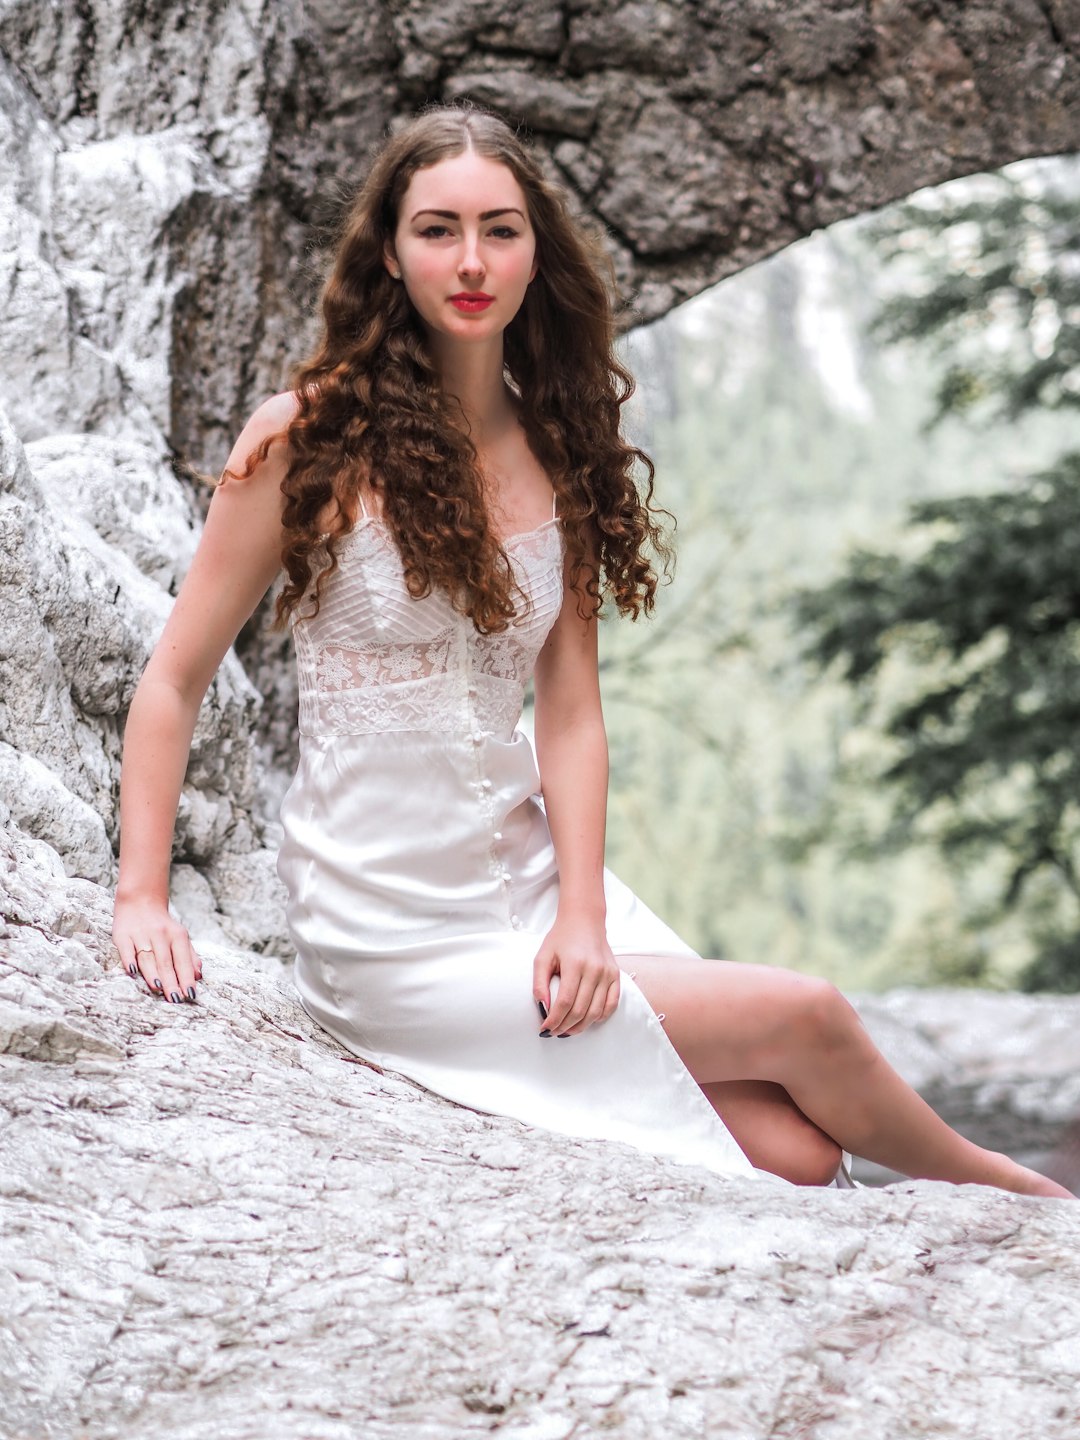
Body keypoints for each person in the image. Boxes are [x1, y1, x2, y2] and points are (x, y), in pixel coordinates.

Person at [111, 103, 1071, 1199]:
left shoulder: (556, 449)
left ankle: (994, 1191)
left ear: (535, 253)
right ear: (390, 249)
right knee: (810, 1016)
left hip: (531, 890)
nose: (470, 261)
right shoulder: (305, 438)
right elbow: (174, 676)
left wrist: (580, 916)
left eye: (500, 229)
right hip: (387, 933)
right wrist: (143, 896)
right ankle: (1019, 1194)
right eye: (438, 229)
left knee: (802, 1157)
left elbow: (569, 714)